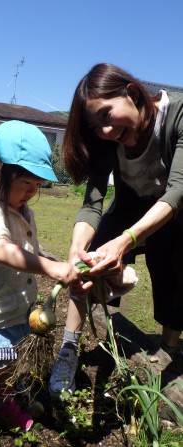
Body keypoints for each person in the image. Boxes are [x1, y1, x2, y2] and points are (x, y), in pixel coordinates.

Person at [49, 62, 183, 397]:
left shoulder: (178, 114)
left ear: (133, 93)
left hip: (175, 211)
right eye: (95, 126)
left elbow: (179, 190)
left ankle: (169, 349)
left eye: (107, 115)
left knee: (173, 269)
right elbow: (93, 199)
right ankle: (70, 348)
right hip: (130, 206)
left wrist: (127, 240)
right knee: (87, 261)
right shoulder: (108, 140)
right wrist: (77, 246)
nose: (105, 131)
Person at [0, 120, 80, 446]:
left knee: (9, 363)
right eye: (26, 183)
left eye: (37, 184)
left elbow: (27, 253)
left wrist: (57, 263)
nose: (32, 192)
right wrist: (50, 267)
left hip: (16, 307)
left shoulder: (22, 211)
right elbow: (1, 250)